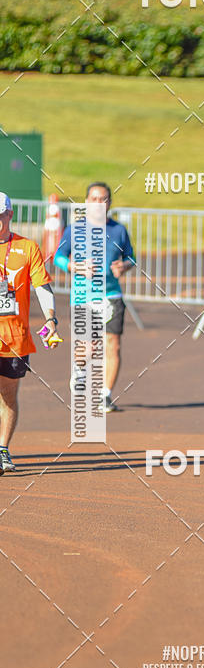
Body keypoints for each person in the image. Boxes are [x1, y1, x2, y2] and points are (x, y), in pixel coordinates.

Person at [54, 182, 136, 413]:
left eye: (104, 199)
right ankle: (80, 369)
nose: (99, 203)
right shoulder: (74, 229)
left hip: (111, 294)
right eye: (94, 199)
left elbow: (131, 257)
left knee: (114, 345)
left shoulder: (119, 230)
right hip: (83, 296)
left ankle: (105, 396)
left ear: (110, 203)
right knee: (89, 345)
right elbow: (58, 256)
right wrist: (73, 266)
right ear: (87, 202)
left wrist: (124, 266)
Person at [0, 192, 62, 473]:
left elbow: (42, 287)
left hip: (15, 338)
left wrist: (51, 318)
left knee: (8, 397)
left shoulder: (28, 248)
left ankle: (2, 449)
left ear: (9, 215)